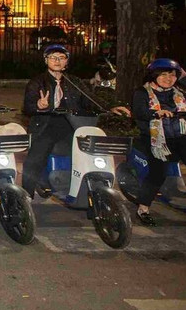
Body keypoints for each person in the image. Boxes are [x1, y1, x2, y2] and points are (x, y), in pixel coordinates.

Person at [22, 44, 128, 199]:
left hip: (73, 124)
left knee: (89, 151)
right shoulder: (37, 82)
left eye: (62, 57)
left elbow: (91, 100)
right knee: (35, 157)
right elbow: (27, 107)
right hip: (46, 123)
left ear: (67, 61)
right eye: (53, 57)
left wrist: (110, 108)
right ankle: (26, 195)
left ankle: (88, 191)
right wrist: (38, 105)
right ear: (46, 60)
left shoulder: (74, 81)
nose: (57, 61)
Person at [131, 59, 186, 226]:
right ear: (153, 76)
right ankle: (143, 208)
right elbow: (139, 111)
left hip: (181, 138)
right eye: (163, 75)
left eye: (172, 75)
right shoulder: (142, 92)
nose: (168, 78)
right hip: (156, 140)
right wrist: (156, 113)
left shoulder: (179, 93)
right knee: (158, 173)